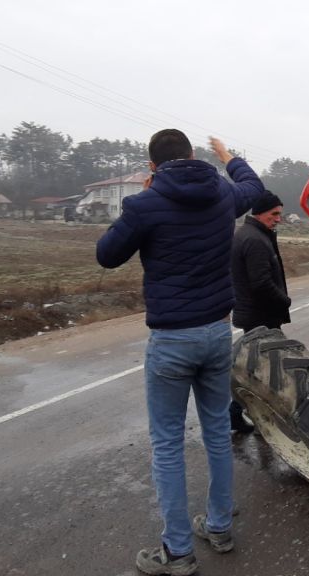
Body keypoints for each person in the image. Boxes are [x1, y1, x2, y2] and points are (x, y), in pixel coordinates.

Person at [96, 129, 264, 576]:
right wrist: (229, 155)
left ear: (153, 167)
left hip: (172, 340)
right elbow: (254, 187)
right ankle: (220, 527)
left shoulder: (145, 203)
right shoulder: (223, 195)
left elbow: (107, 255)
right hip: (216, 333)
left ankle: (178, 553)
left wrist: (141, 203)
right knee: (215, 434)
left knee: (168, 444)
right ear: (192, 156)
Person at [229, 191, 290, 433]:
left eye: (280, 214)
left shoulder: (251, 234)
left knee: (258, 369)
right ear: (260, 212)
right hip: (261, 317)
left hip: (257, 314)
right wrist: (285, 300)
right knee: (265, 372)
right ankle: (250, 416)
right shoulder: (254, 239)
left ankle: (237, 415)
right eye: (274, 214)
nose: (278, 219)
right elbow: (261, 283)